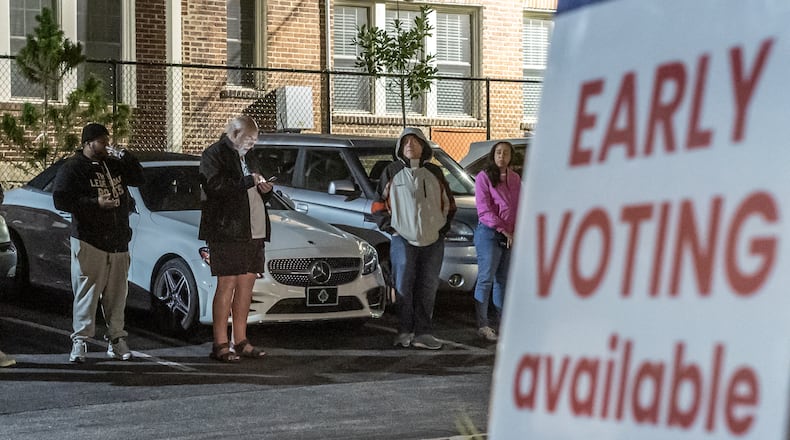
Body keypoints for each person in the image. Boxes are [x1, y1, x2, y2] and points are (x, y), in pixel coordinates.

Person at [53, 123, 144, 363]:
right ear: (87, 143)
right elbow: (61, 200)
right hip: (90, 240)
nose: (106, 145)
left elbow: (138, 177)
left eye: (107, 141)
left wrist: (125, 155)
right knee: (87, 292)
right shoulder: (73, 168)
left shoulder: (113, 164)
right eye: (101, 141)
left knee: (117, 295)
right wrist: (95, 203)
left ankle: (116, 339)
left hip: (118, 241)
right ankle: (80, 341)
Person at [372, 127, 456, 350]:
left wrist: (441, 230)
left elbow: (449, 203)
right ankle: (404, 330)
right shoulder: (392, 172)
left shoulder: (435, 173)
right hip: (403, 240)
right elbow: (378, 205)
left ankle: (423, 332)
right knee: (403, 286)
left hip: (433, 240)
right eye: (405, 142)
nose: (410, 145)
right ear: (399, 147)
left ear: (424, 146)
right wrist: (392, 229)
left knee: (428, 286)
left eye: (415, 141)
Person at [199, 115, 272, 362]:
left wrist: (265, 190)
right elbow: (214, 187)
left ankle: (240, 339)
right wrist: (247, 181)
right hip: (227, 229)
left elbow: (255, 186)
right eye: (249, 138)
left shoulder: (249, 155)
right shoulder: (214, 154)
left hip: (254, 229)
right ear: (235, 132)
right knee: (227, 284)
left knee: (246, 285)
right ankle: (220, 342)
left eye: (255, 140)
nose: (253, 144)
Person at [472, 141, 521, 342]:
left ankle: (504, 324)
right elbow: (484, 210)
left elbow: (518, 205)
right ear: (493, 155)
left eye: (506, 153)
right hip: (490, 233)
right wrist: (502, 229)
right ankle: (483, 324)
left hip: (510, 234)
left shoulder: (515, 178)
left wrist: (515, 231)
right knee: (486, 278)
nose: (502, 156)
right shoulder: (484, 178)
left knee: (503, 280)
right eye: (498, 152)